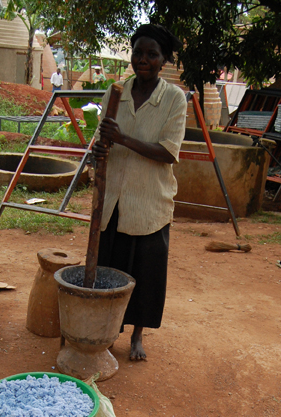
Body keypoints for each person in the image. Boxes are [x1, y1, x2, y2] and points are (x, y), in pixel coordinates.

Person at [93, 24, 187, 361]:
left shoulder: (174, 99)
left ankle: (136, 336)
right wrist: (100, 149)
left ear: (164, 61)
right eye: (137, 53)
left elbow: (167, 152)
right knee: (108, 270)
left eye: (151, 54)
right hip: (113, 199)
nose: (142, 59)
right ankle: (104, 332)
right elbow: (101, 137)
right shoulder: (115, 92)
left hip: (150, 202)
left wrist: (121, 140)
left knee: (143, 274)